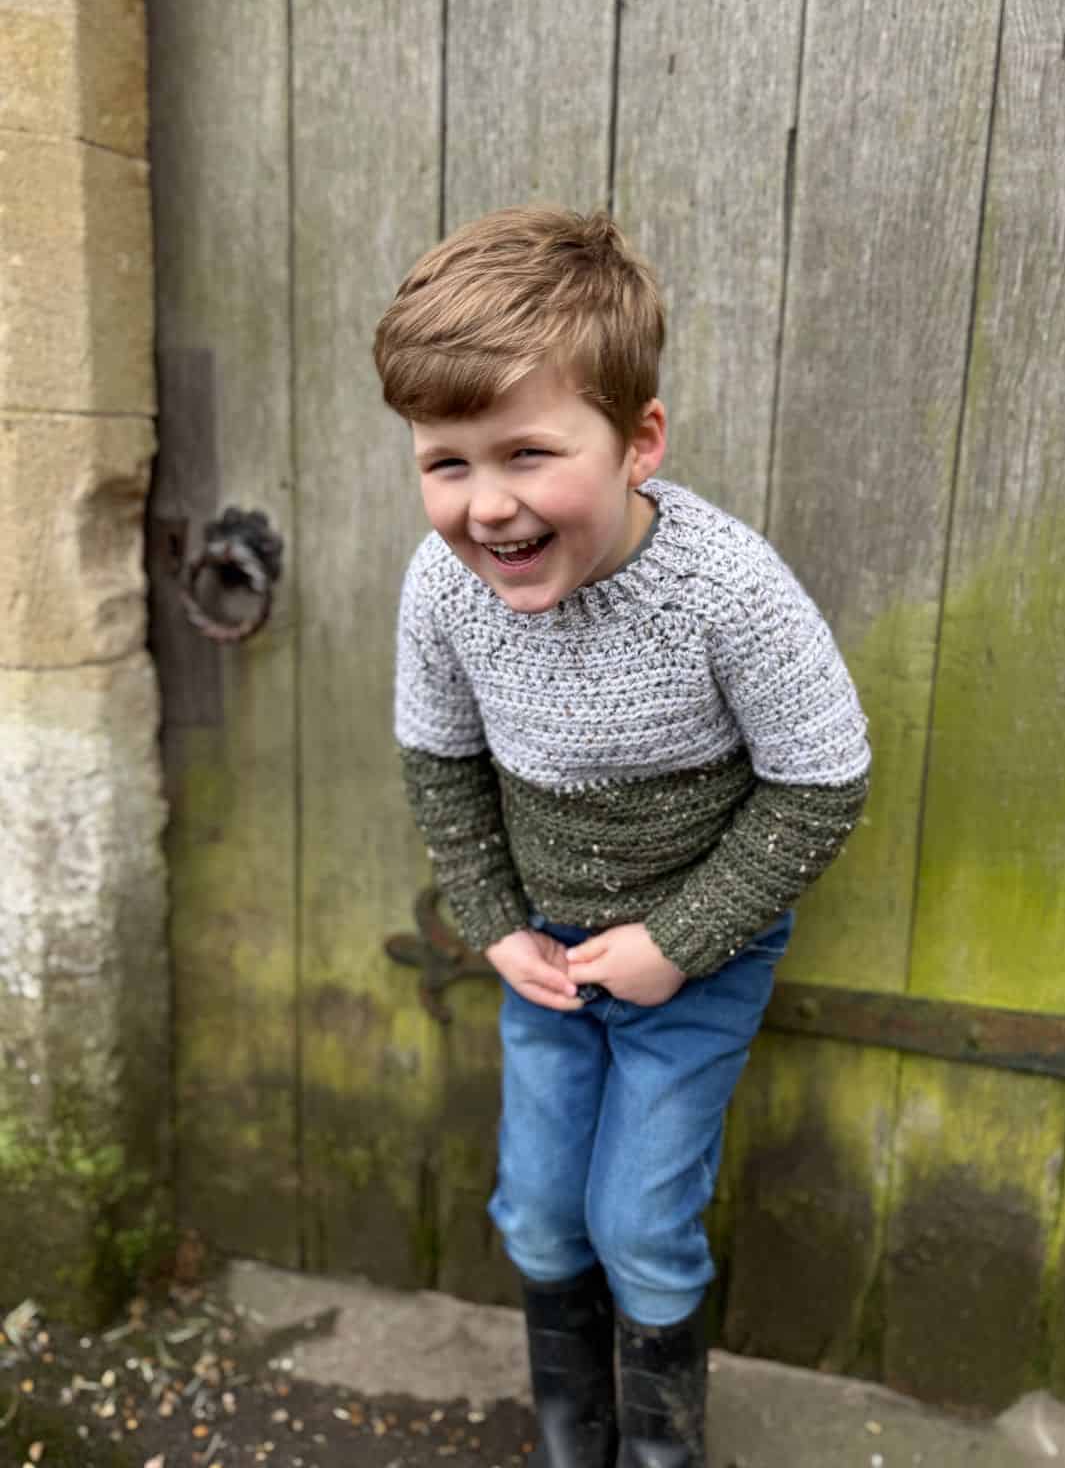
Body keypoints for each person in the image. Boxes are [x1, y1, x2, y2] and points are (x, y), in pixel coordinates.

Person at [374, 206, 870, 1468]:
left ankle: (662, 1450)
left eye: (529, 453)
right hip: (544, 953)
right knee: (540, 1214)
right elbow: (441, 768)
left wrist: (684, 939)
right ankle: (570, 1437)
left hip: (694, 960)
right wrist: (492, 924)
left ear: (638, 439)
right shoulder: (441, 592)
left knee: (639, 1218)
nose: (488, 506)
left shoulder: (727, 589)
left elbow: (821, 781)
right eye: (447, 462)